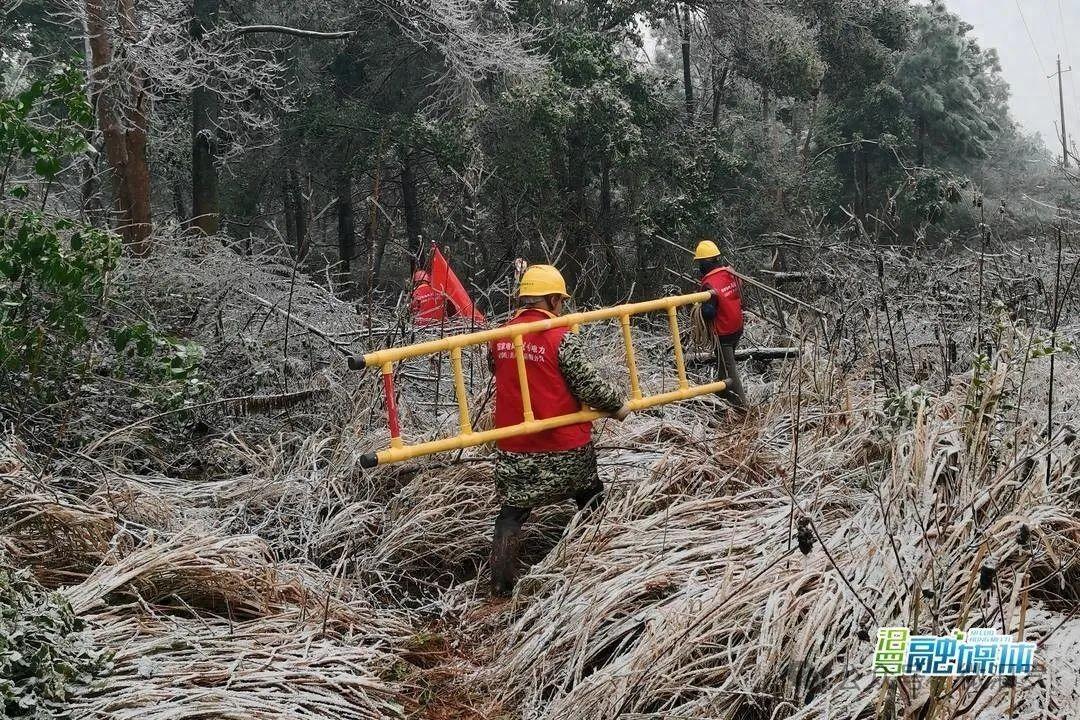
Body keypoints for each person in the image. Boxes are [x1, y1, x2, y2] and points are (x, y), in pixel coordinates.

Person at [487, 264, 631, 597]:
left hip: (516, 447)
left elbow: (496, 371)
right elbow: (589, 385)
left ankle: (500, 586)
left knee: (511, 513)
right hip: (565, 445)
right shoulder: (560, 335)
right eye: (560, 301)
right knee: (591, 497)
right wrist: (617, 405)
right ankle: (603, 559)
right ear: (552, 300)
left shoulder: (497, 337)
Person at [694, 239, 747, 409]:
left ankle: (742, 407)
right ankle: (720, 398)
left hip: (723, 332)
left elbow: (709, 313)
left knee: (729, 370)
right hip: (737, 326)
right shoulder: (729, 273)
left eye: (700, 263)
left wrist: (696, 307)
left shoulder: (709, 284)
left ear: (705, 263)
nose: (699, 267)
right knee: (723, 366)